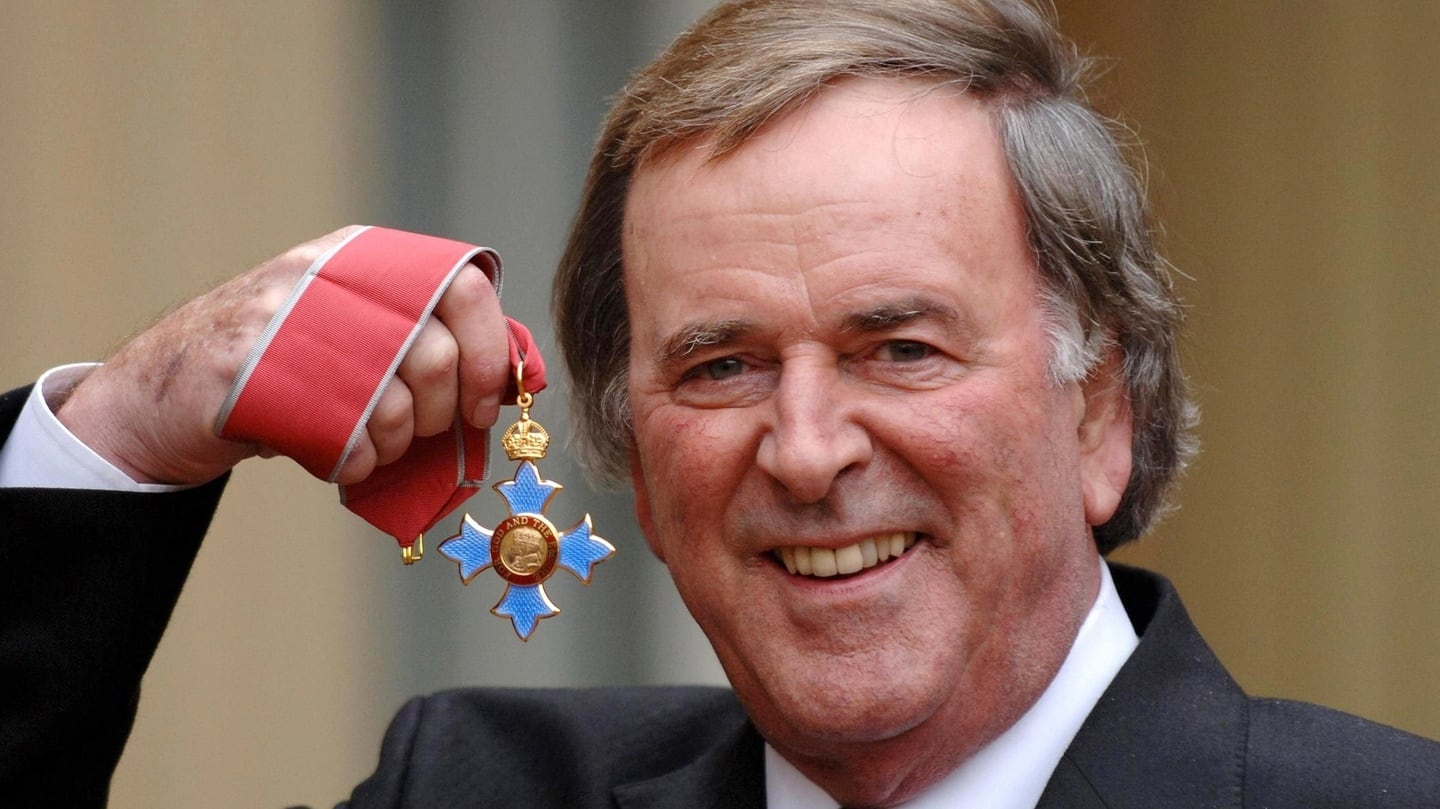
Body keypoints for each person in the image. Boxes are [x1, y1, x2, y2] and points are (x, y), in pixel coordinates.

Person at [1, 0, 1436, 807]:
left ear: (1097, 416)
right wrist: (129, 424)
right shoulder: (477, 794)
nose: (805, 453)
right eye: (721, 365)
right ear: (634, 451)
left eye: (901, 347)